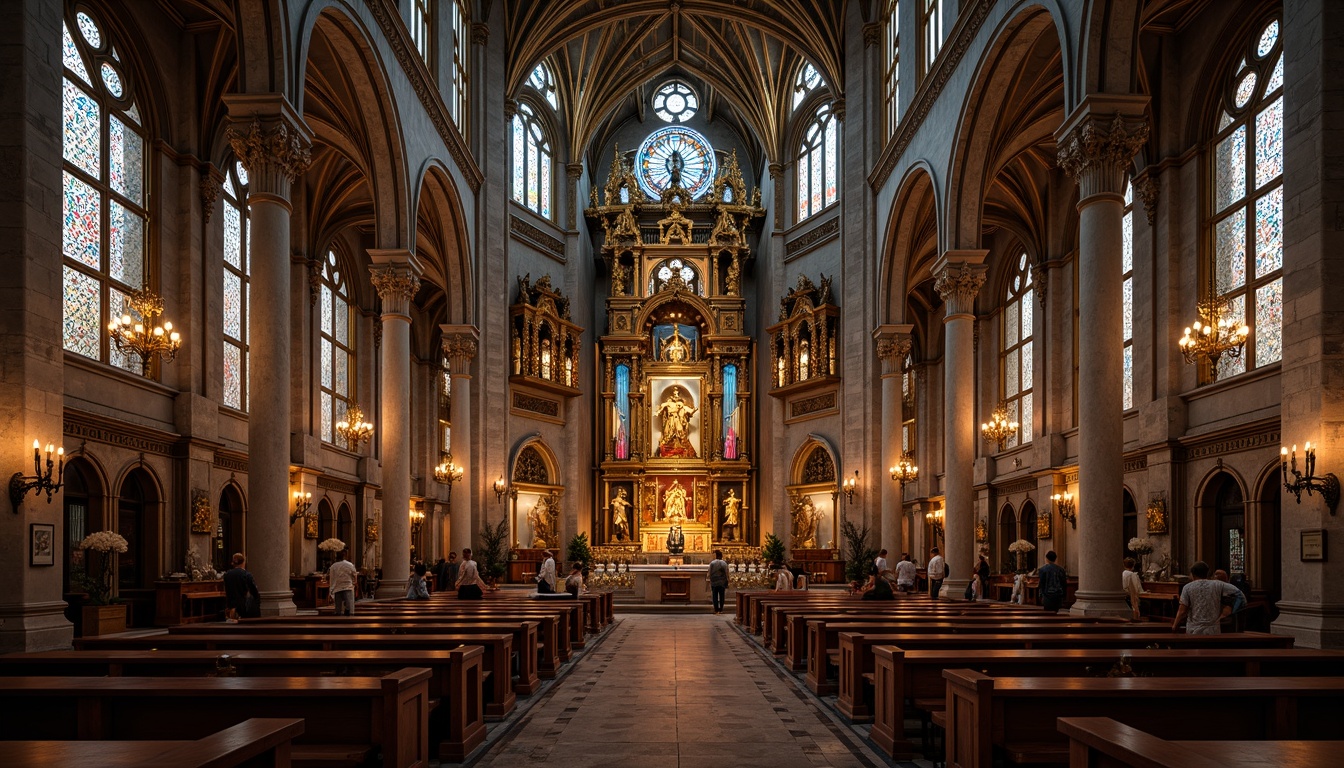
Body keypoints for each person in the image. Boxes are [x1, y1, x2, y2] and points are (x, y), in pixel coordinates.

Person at [1174, 561, 1244, 634]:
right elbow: (1240, 595)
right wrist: (1229, 611)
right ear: (1207, 573)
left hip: (1194, 630)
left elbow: (1182, 611)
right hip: (1213, 630)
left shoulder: (1187, 587)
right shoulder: (1218, 585)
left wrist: (1175, 626)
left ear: (1192, 574)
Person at [222, 552, 261, 621]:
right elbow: (253, 590)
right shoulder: (246, 574)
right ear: (243, 562)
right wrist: (256, 598)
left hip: (231, 605)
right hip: (243, 605)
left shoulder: (227, 574)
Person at [328, 548, 358, 616]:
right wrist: (354, 583)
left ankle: (339, 620)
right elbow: (354, 575)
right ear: (345, 556)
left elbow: (332, 578)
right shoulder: (350, 565)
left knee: (338, 607)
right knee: (349, 606)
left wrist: (331, 589)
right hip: (348, 587)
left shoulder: (333, 566)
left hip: (337, 587)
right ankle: (349, 617)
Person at [707, 549, 729, 614]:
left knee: (715, 596)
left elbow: (709, 572)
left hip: (714, 582)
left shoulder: (712, 563)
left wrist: (709, 579)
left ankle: (716, 609)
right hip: (722, 582)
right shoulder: (724, 563)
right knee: (722, 596)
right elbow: (727, 573)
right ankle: (721, 609)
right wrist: (727, 580)